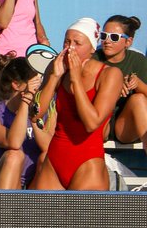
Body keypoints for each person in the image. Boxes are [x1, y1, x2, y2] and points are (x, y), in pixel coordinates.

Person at [30, 18, 121, 191]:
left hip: (87, 162)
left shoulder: (109, 75)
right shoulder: (57, 68)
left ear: (92, 48)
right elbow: (35, 114)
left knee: (81, 218)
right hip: (55, 160)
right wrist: (54, 78)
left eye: (77, 43)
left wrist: (76, 80)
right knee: (43, 218)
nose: (70, 48)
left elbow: (92, 123)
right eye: (67, 41)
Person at [0, 55, 52, 190]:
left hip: (31, 184)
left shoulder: (42, 110)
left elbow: (49, 148)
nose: (38, 89)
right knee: (14, 155)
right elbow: (13, 143)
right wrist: (25, 101)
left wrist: (34, 117)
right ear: (16, 84)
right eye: (34, 84)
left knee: (46, 157)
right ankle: (5, 209)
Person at [100, 15, 147, 153]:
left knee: (138, 99)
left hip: (126, 126)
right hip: (101, 122)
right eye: (104, 36)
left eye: (114, 37)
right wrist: (112, 91)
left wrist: (137, 84)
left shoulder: (137, 60)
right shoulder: (94, 59)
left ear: (128, 42)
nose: (107, 41)